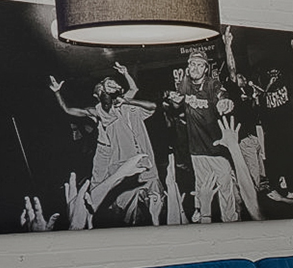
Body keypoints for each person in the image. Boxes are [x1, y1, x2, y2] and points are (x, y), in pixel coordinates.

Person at [49, 63, 161, 226]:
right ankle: (97, 218)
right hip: (113, 157)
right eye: (107, 85)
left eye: (114, 84)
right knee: (111, 196)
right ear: (98, 93)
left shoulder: (125, 102)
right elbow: (68, 110)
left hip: (133, 156)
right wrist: (57, 92)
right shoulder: (98, 110)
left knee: (150, 199)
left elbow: (134, 90)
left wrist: (126, 74)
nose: (112, 85)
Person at [165, 46, 242, 222]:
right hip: (196, 148)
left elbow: (222, 94)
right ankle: (200, 210)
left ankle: (230, 218)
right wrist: (174, 101)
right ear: (188, 66)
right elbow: (177, 107)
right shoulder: (184, 84)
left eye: (200, 65)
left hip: (216, 147)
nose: (195, 69)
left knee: (224, 186)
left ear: (206, 68)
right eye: (192, 65)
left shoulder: (211, 84)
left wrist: (225, 102)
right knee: (201, 184)